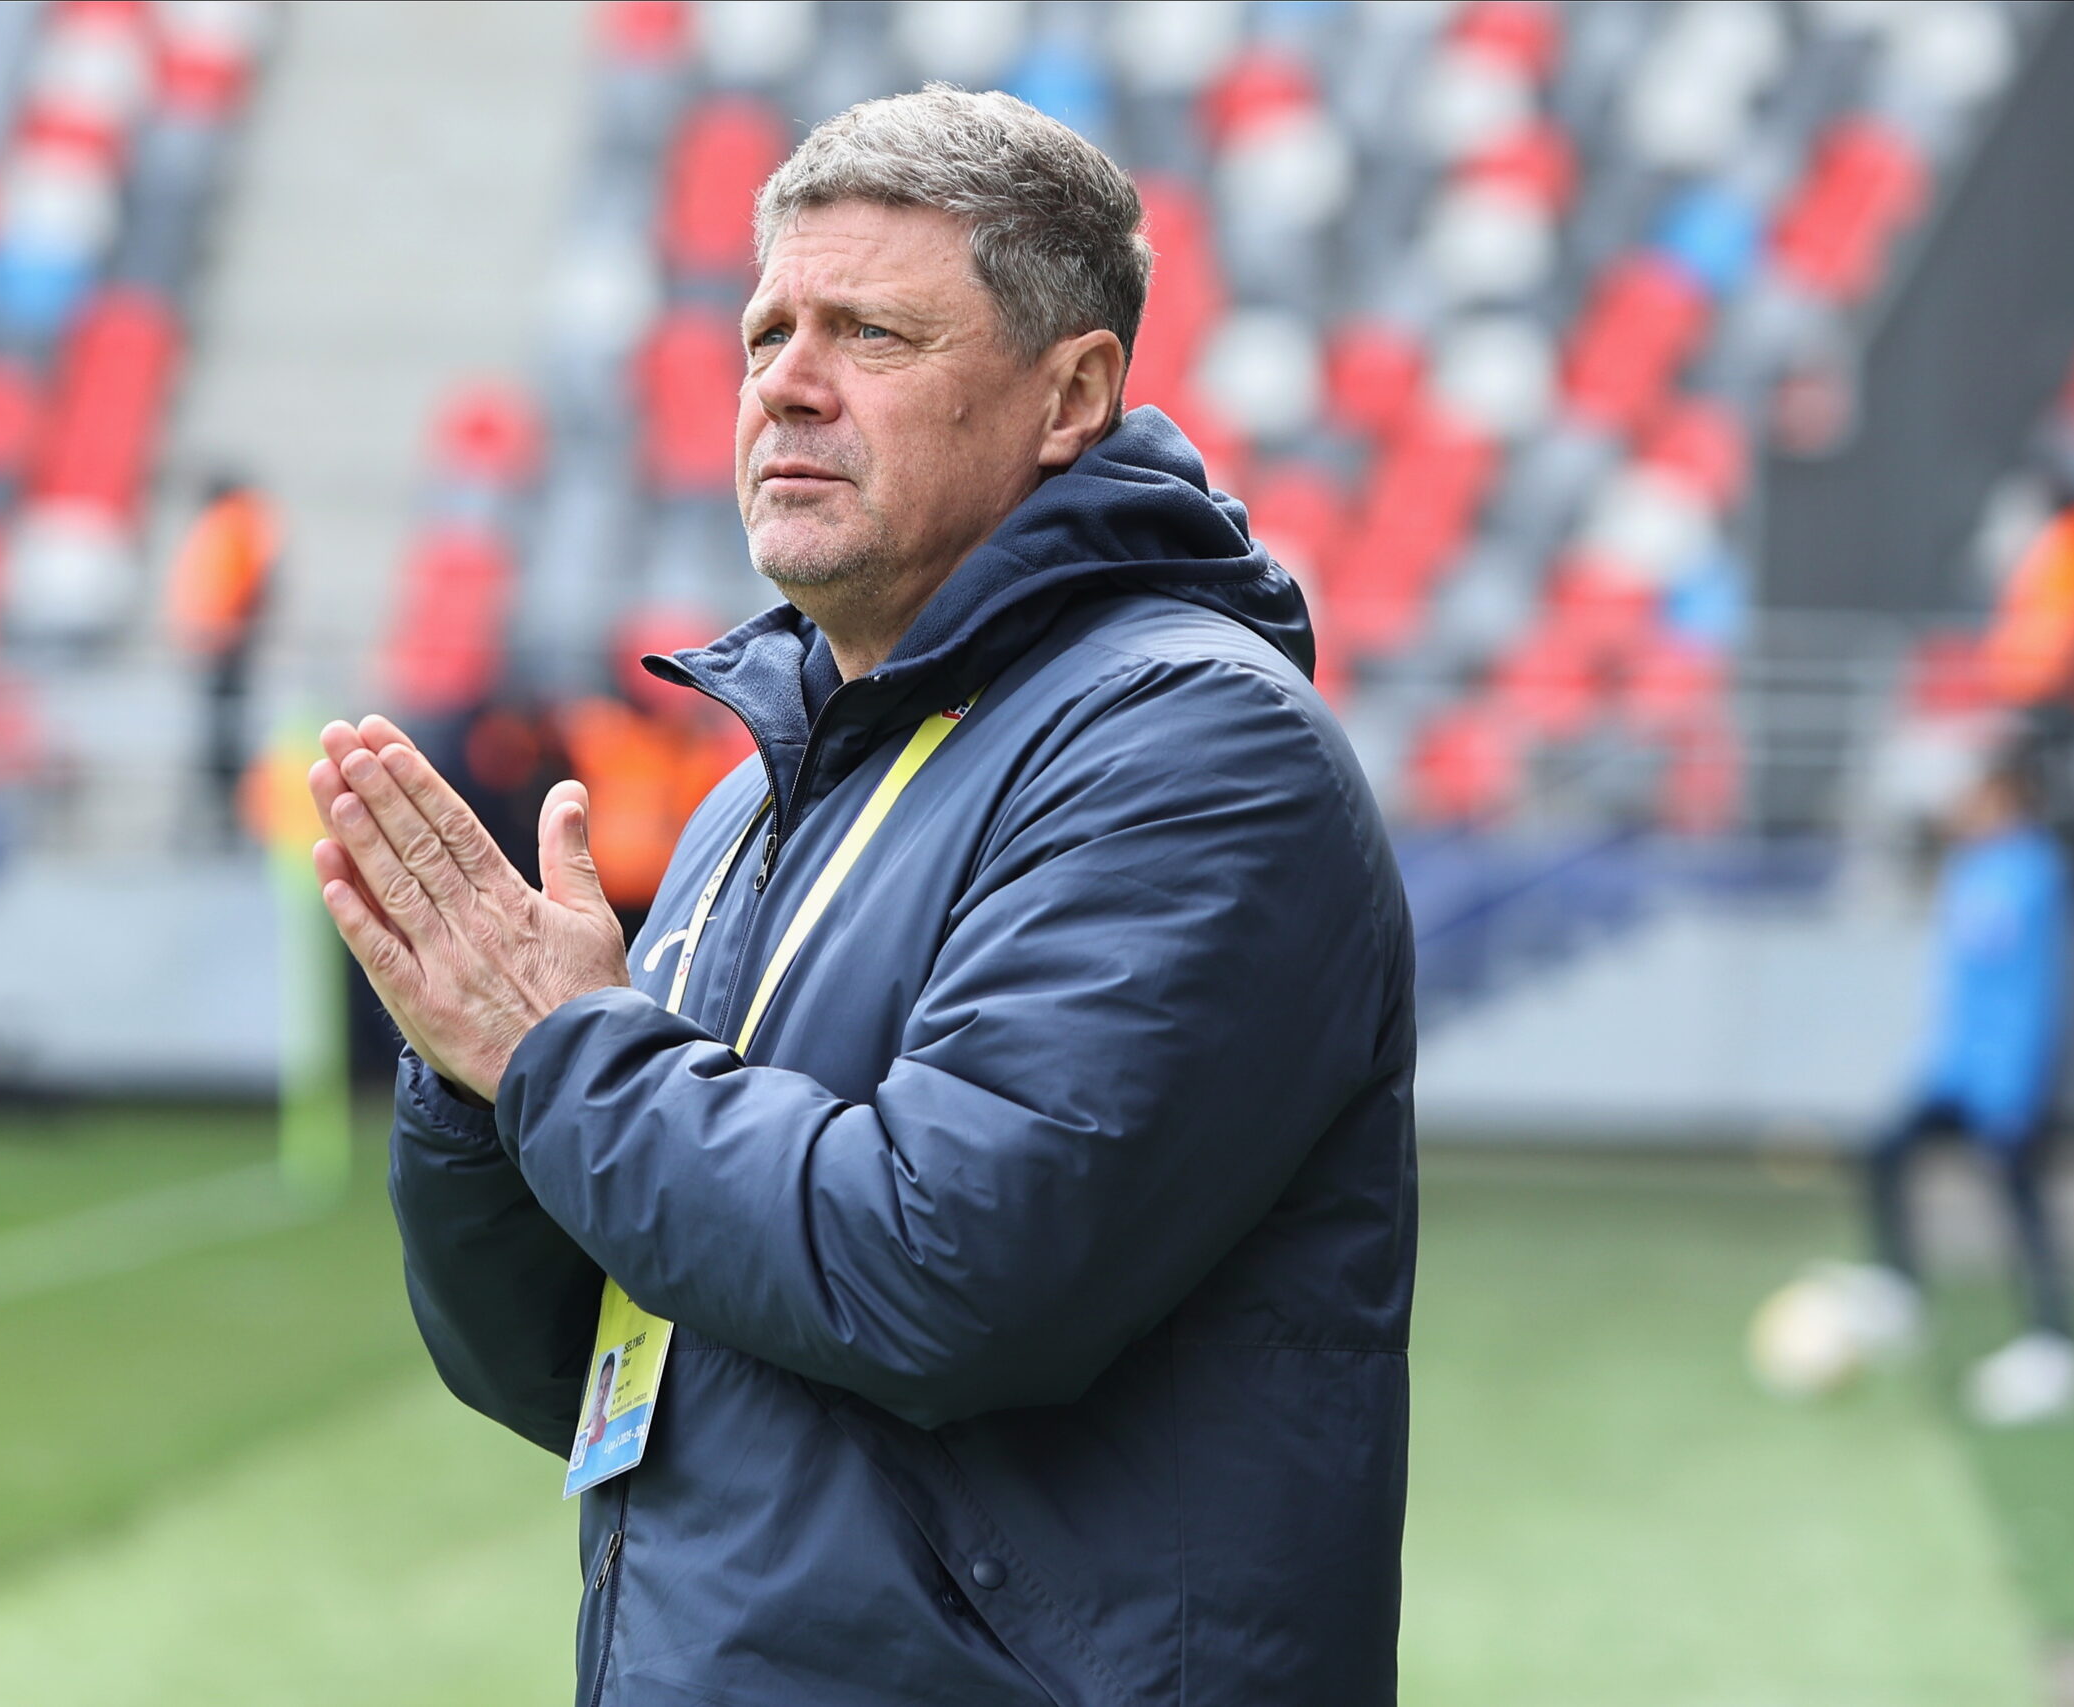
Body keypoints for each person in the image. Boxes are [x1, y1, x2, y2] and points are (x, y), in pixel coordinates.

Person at [307, 90, 1414, 1703]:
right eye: (767, 334)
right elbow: (569, 1360)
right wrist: (484, 1085)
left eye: (872, 335)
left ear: (1071, 395)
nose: (788, 384)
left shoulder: (1190, 745)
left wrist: (560, 1052)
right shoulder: (764, 788)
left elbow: (946, 1273)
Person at [1864, 754, 2074, 1426]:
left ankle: (2056, 1347)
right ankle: (1900, 1291)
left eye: (1977, 795)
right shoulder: (1970, 866)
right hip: (1956, 1069)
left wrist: (2017, 1091)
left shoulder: (2034, 870)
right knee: (1884, 1151)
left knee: (2021, 1201)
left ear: (2009, 799)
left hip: (2013, 1076)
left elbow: (2030, 986)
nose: (1962, 806)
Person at [166, 472, 280, 848]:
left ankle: (233, 817)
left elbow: (254, 582)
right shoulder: (236, 522)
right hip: (219, 644)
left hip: (225, 646)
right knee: (220, 736)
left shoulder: (237, 521)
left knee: (225, 738)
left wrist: (235, 632)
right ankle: (226, 815)